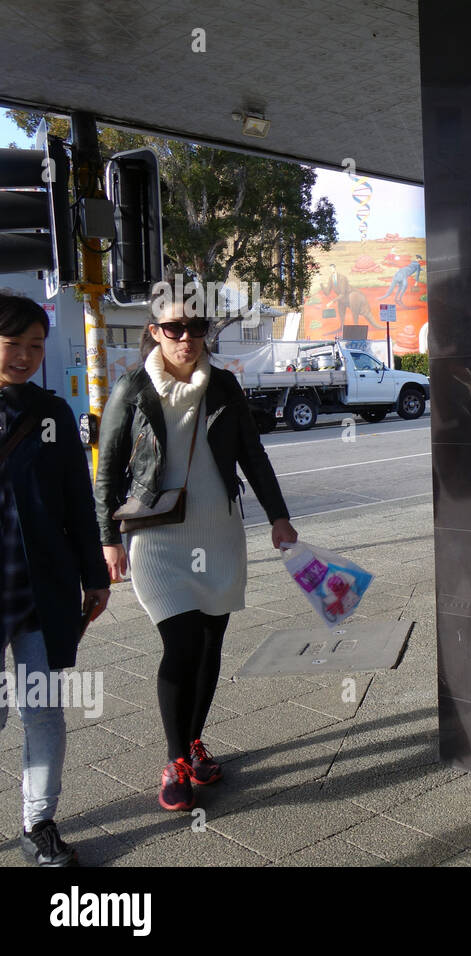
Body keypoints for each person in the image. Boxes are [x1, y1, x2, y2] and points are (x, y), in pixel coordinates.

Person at [96, 280, 298, 812]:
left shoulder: (225, 387)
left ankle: (194, 741)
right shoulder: (132, 389)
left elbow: (254, 457)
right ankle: (174, 758)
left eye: (197, 327)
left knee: (211, 646)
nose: (186, 338)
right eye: (174, 328)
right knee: (180, 645)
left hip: (220, 533)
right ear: (155, 331)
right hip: (157, 539)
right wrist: (107, 540)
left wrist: (279, 517)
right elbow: (107, 472)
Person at [0, 292, 111, 866]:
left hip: (40, 595)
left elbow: (76, 498)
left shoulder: (52, 414)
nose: (24, 355)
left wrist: (95, 577)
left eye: (35, 345)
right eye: (13, 343)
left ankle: (38, 823)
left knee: (42, 711)